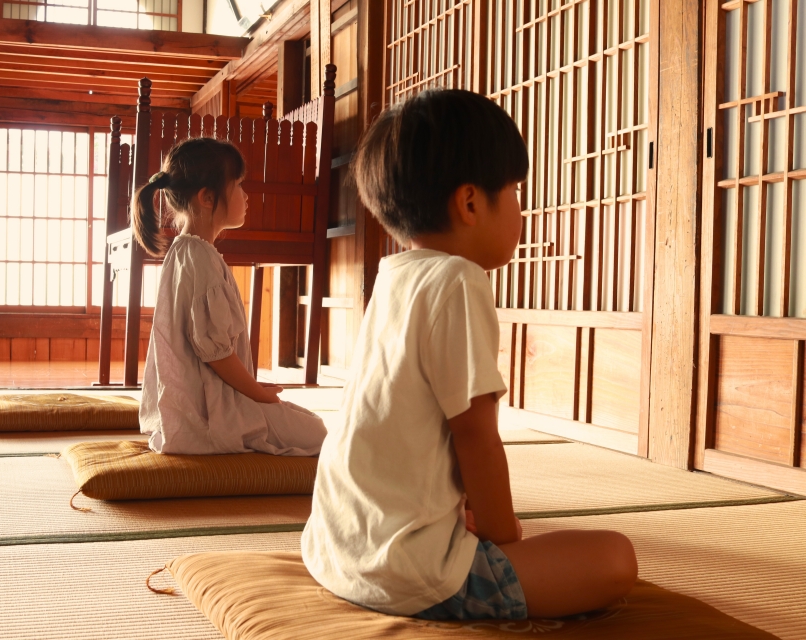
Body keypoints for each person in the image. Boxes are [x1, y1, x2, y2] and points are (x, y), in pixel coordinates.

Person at [301, 90, 638, 621]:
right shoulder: (458, 280)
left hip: (335, 548)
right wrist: (508, 538)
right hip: (412, 572)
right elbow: (474, 435)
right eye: (515, 191)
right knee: (616, 558)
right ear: (471, 203)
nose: (521, 209)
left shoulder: (393, 278)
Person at [131, 136, 327, 456]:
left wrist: (255, 391)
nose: (246, 196)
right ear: (207, 197)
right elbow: (217, 354)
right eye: (238, 185)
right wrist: (258, 395)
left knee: (304, 420)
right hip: (209, 419)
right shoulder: (200, 258)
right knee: (317, 431)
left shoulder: (187, 250)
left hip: (192, 413)